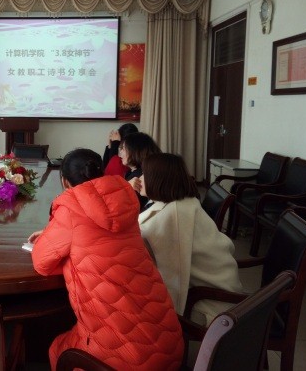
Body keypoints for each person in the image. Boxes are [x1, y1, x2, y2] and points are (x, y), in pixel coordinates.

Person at [28, 148, 183, 370]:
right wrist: (56, 234)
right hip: (170, 342)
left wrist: (55, 237)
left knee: (57, 350)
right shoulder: (125, 199)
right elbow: (99, 239)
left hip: (128, 361)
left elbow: (42, 263)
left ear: (64, 182)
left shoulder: (70, 208)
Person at [138, 153, 243, 326]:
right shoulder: (181, 203)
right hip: (216, 290)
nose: (140, 178)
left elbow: (172, 276)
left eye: (144, 174)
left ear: (159, 179)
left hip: (212, 306)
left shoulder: (175, 215)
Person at [118, 132, 161, 210]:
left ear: (135, 150)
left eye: (123, 149)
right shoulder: (132, 172)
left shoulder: (142, 175)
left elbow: (123, 207)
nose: (120, 153)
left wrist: (126, 188)